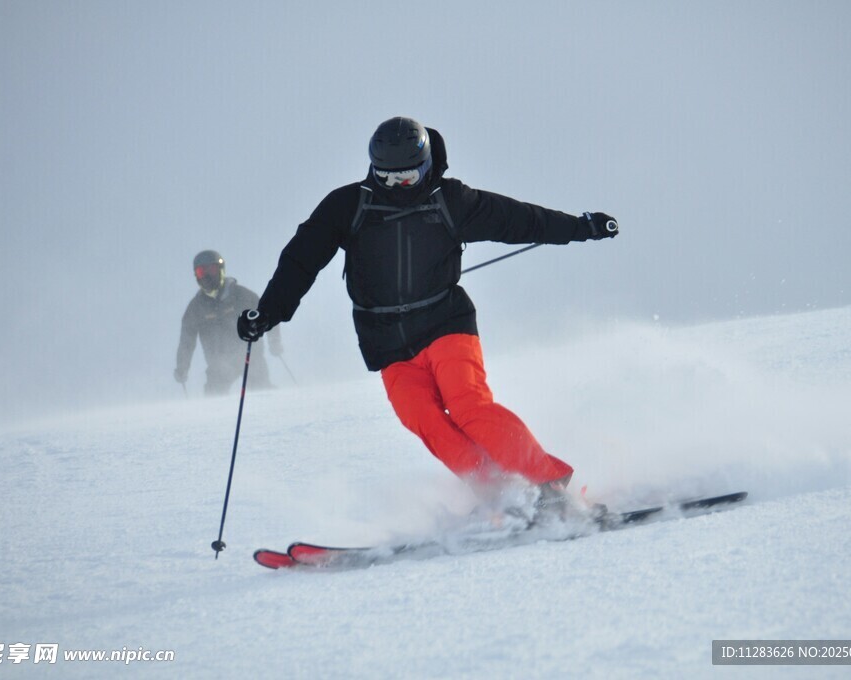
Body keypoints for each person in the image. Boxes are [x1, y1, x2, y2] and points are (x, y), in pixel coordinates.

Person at [237, 117, 617, 516]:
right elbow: (302, 259)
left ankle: (548, 484)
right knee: (425, 421)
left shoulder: (450, 200)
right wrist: (267, 313)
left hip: (445, 323)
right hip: (388, 342)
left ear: (425, 163)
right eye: (388, 177)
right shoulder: (348, 205)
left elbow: (519, 219)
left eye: (408, 176)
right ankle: (501, 495)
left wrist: (581, 227)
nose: (399, 185)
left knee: (469, 406)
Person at [175, 250, 280, 395]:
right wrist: (182, 367)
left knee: (261, 390)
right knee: (214, 396)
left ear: (221, 270)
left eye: (211, 270)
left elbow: (267, 314)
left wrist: (274, 342)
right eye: (201, 272)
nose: (206, 276)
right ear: (196, 276)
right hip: (218, 364)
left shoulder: (243, 296)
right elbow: (186, 341)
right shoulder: (196, 308)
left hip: (249, 357)